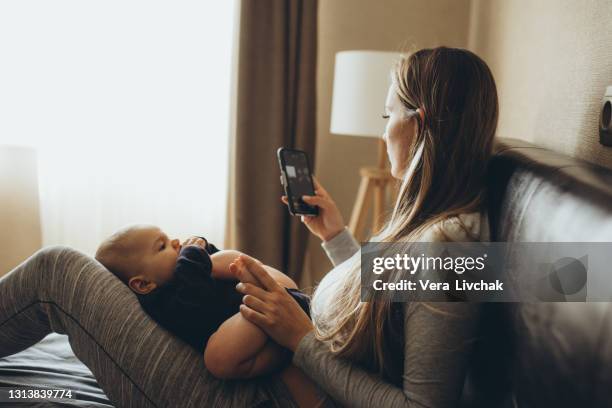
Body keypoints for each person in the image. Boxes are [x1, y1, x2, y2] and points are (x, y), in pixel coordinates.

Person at [0, 46, 498, 407]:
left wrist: (299, 338)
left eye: (387, 114)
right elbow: (392, 316)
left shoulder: (448, 245)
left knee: (56, 271)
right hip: (266, 368)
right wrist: (336, 238)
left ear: (419, 122)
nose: (382, 128)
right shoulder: (449, 228)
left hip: (261, 391)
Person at [94, 225, 311, 379]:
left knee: (219, 260)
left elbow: (206, 261)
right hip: (264, 324)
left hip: (277, 300)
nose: (176, 242)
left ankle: (287, 296)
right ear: (143, 285)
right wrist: (192, 256)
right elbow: (198, 304)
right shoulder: (165, 301)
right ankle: (285, 350)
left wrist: (201, 249)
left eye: (169, 238)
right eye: (162, 247)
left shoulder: (187, 271)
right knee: (218, 359)